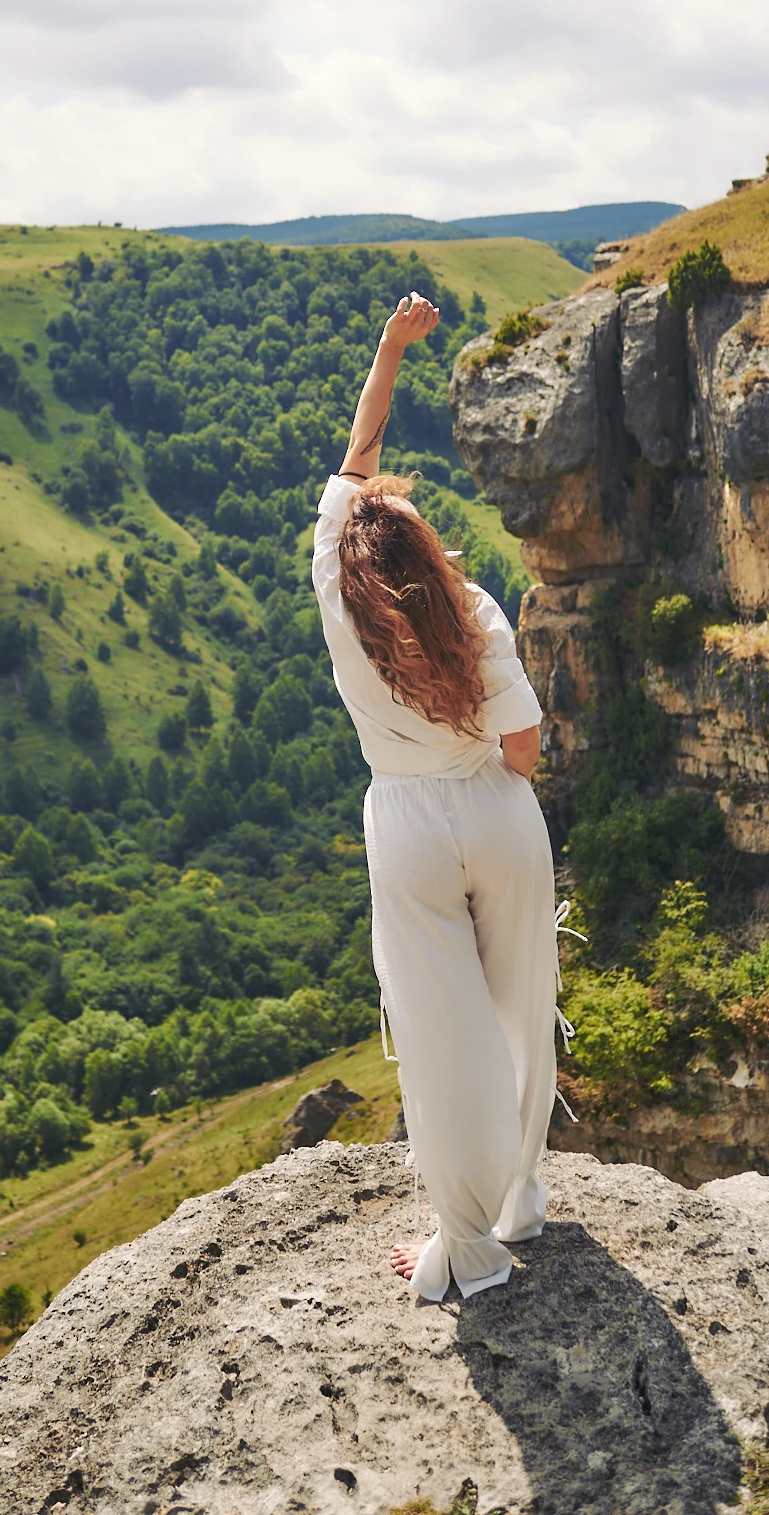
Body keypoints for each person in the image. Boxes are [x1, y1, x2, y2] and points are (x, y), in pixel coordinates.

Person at [310, 290, 559, 1302]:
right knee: (520, 1000)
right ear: (425, 557)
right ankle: (521, 1197)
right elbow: (524, 749)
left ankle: (467, 1245)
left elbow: (356, 454)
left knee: (437, 1026)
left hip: (406, 822)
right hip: (496, 810)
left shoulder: (334, 591)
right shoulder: (480, 618)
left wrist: (385, 350)